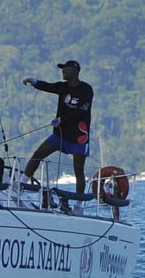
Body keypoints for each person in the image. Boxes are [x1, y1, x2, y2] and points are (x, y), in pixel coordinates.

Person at [21, 60, 94, 194]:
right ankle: (21, 184)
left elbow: (81, 111)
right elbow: (49, 87)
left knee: (78, 169)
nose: (63, 71)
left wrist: (61, 119)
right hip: (61, 134)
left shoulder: (86, 89)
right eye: (62, 68)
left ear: (75, 71)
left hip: (79, 136)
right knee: (38, 154)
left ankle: (78, 203)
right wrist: (35, 82)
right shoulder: (62, 87)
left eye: (66, 68)